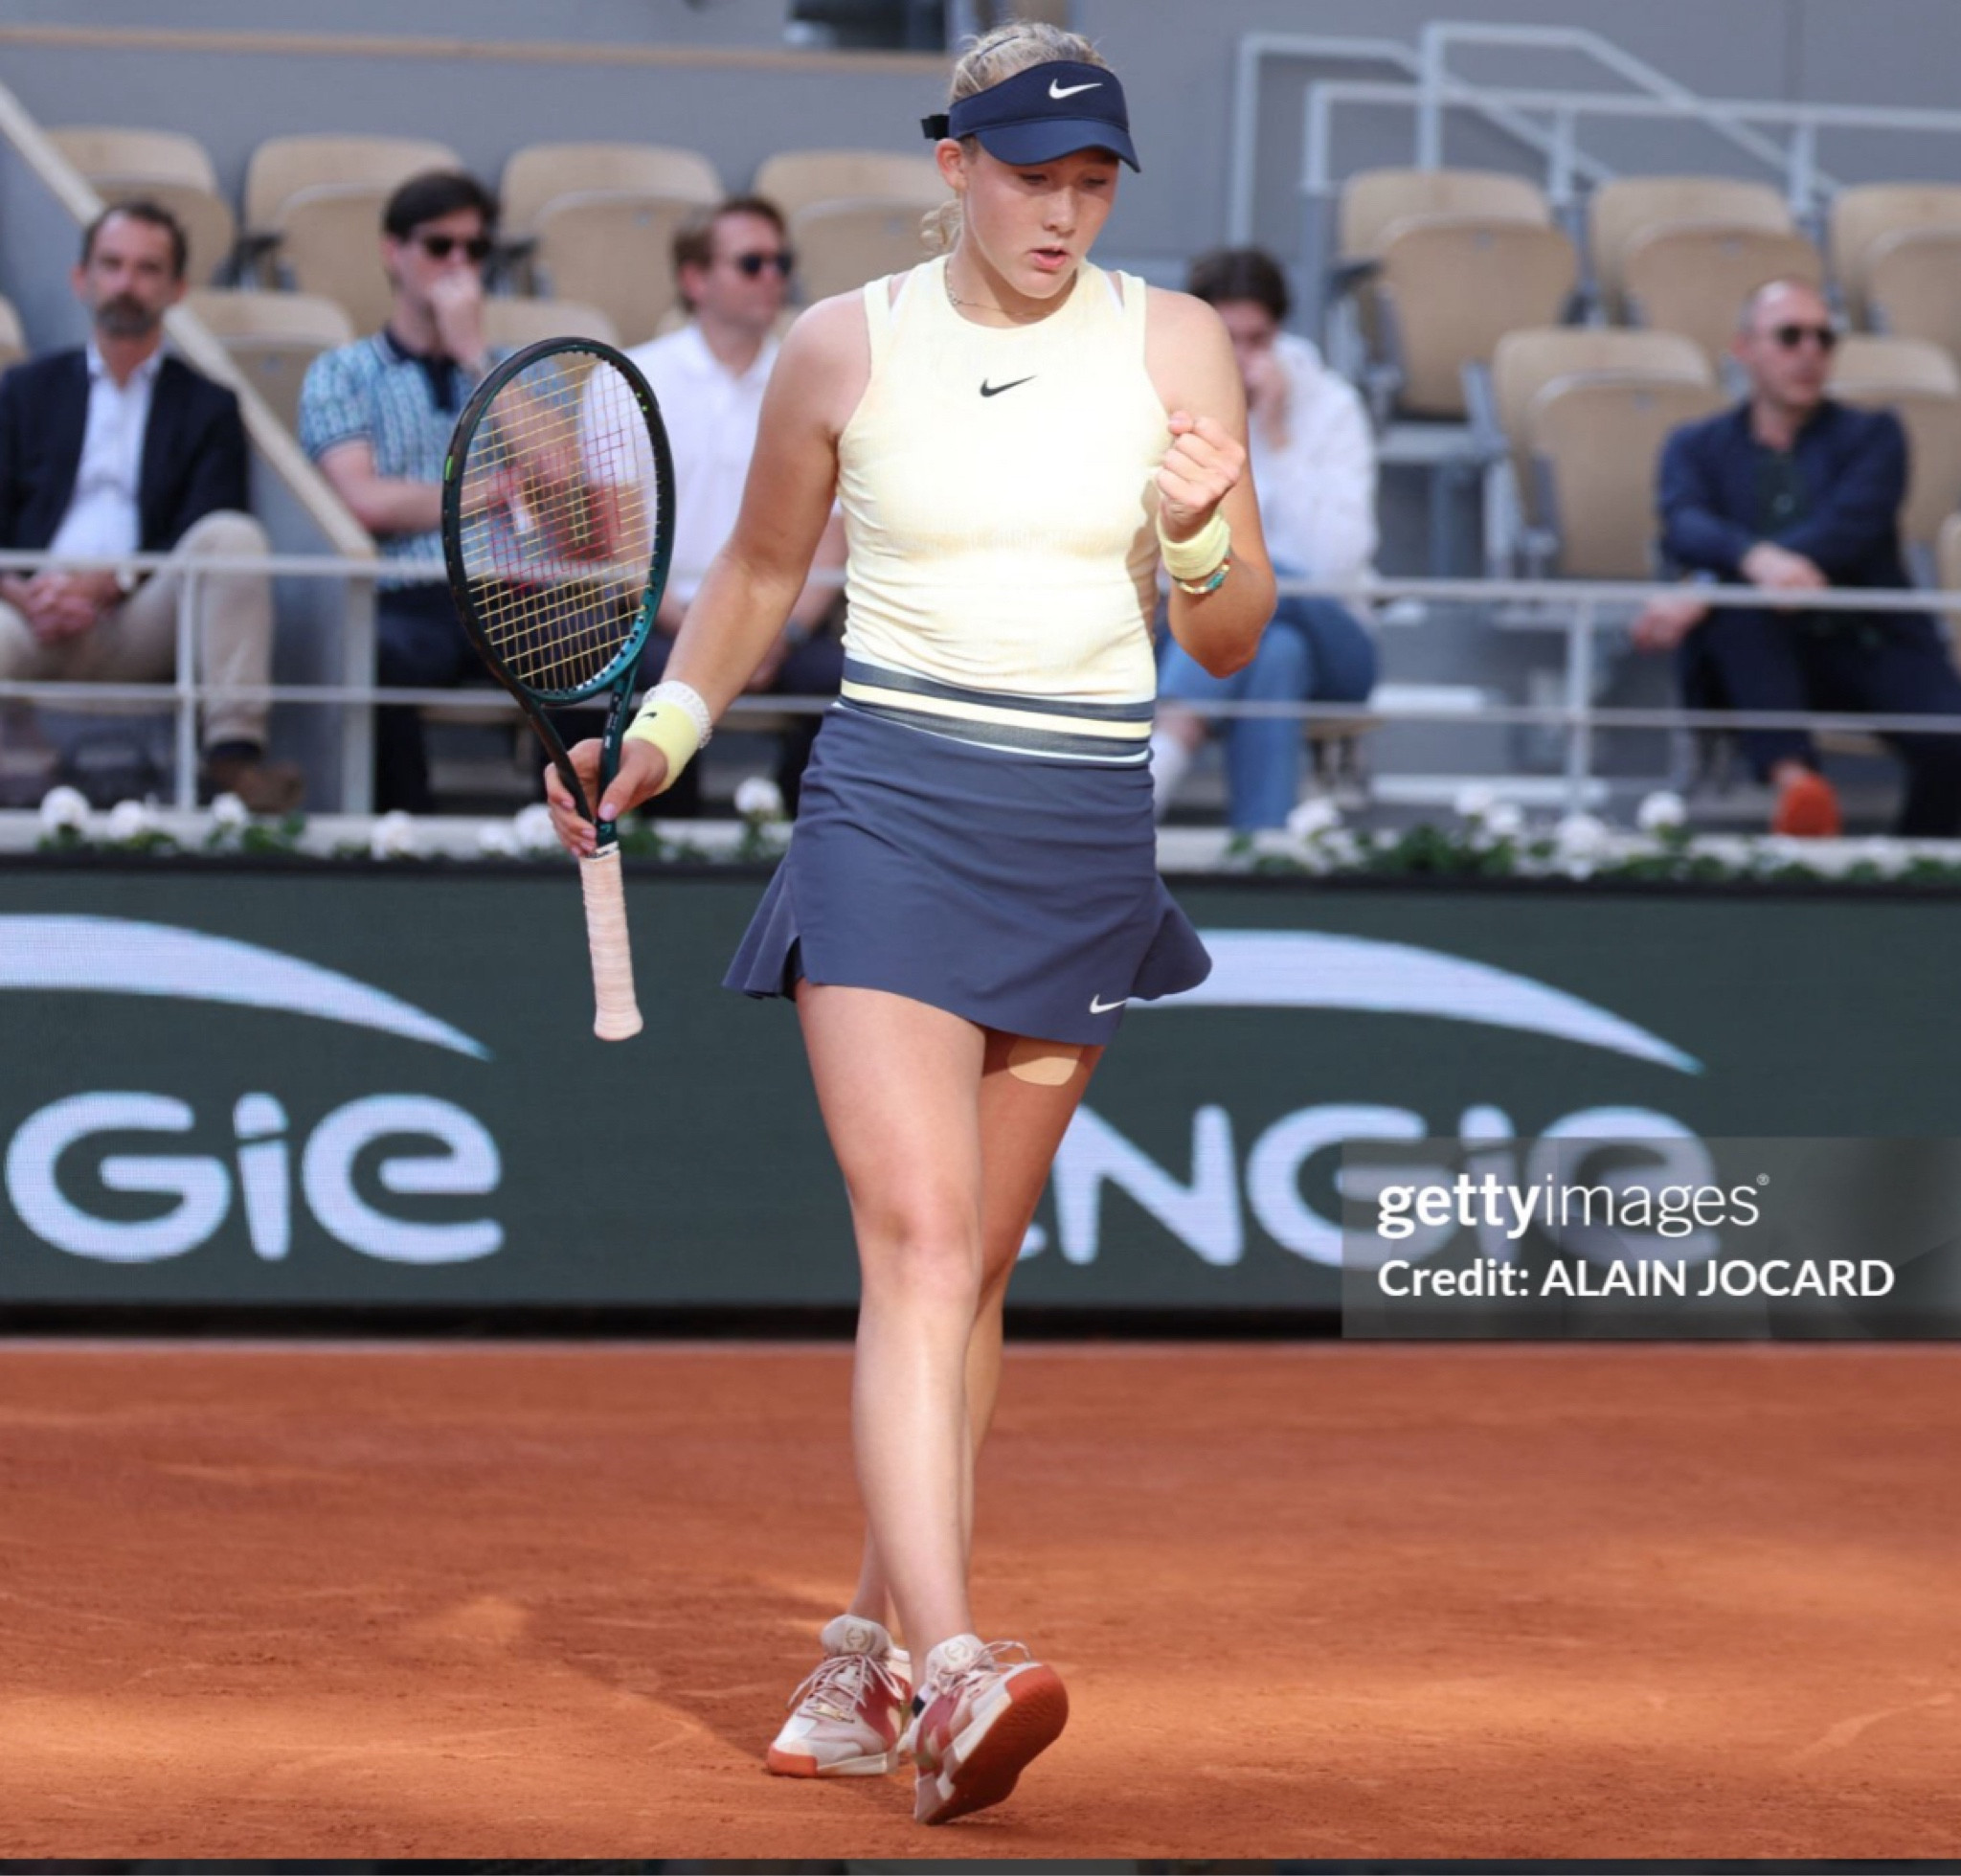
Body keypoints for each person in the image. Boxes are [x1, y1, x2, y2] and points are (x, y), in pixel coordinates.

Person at [545, 21, 1273, 1827]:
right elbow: (760, 577)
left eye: (1095, 179)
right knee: (920, 1239)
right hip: (890, 814)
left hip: (1083, 825)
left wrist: (1194, 539)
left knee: (973, 1277)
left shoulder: (1172, 342)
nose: (1066, 209)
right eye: (1034, 176)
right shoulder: (841, 345)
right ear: (951, 163)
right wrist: (656, 734)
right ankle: (952, 1670)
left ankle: (863, 1641)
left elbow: (1235, 633)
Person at [1635, 276, 1961, 837]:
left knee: (1951, 737)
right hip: (1754, 654)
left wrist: (1718, 577)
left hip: (1866, 641)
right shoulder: (1695, 444)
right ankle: (1798, 787)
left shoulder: (1874, 434)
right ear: (1745, 349)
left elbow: (1851, 526)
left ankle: (1906, 871)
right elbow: (1683, 521)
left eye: (1823, 339)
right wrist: (1748, 566)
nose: (1809, 352)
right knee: (1741, 608)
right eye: (1790, 336)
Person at [0, 200, 299, 811]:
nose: (126, 284)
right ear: (80, 278)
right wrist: (23, 591)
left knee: (234, 538)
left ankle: (234, 759)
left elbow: (208, 520)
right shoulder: (26, 390)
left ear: (177, 288)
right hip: (28, 614)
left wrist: (110, 582)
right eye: (111, 265)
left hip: (139, 615)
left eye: (146, 269)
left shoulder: (207, 405)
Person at [580, 195, 845, 816]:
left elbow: (835, 532)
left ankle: (799, 837)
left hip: (785, 622)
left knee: (849, 682)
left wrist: (780, 632)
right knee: (648, 680)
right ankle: (657, 849)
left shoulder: (817, 376)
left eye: (782, 262)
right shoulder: (628, 377)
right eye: (751, 262)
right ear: (694, 278)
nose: (773, 277)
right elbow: (620, 535)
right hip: (661, 619)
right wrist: (696, 628)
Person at [1150, 246, 1378, 829]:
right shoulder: (1163, 403)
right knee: (1276, 652)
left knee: (1270, 592)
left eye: (1256, 340)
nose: (1243, 357)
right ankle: (1263, 847)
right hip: (1200, 630)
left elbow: (1335, 560)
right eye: (1227, 340)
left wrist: (1271, 435)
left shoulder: (1331, 407)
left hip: (1332, 633)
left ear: (1278, 334)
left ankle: (1164, 756)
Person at [300, 170, 504, 813]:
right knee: (378, 655)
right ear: (394, 251)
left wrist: (475, 354)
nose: (458, 265)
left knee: (602, 654)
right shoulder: (344, 372)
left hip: (511, 591)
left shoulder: (511, 370)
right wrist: (489, 490)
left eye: (474, 250)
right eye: (440, 246)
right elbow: (365, 502)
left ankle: (596, 846)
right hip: (406, 592)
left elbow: (559, 475)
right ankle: (401, 837)